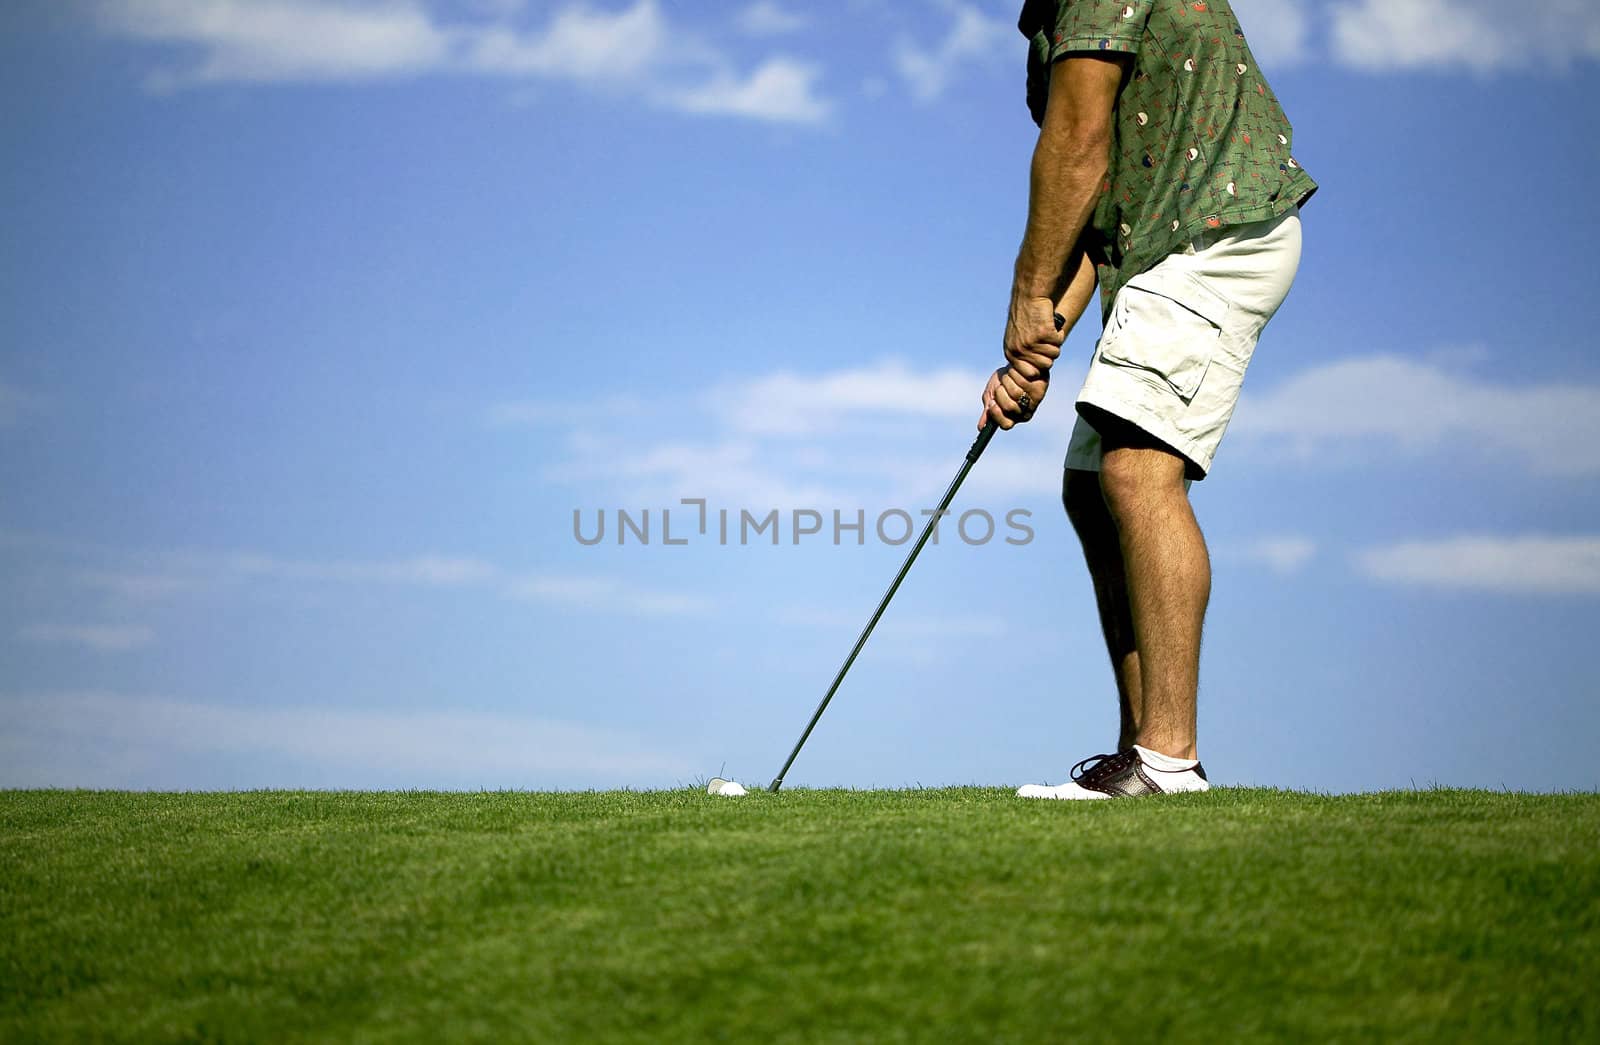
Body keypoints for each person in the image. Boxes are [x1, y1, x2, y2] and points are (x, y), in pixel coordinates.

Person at [979, 0, 1317, 799]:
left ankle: (1168, 760)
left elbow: (1079, 151)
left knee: (1136, 470)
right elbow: (1095, 211)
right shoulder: (1050, 28)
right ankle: (1139, 754)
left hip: (1214, 234)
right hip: (1168, 244)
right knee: (1093, 483)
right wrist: (1038, 347)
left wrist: (1030, 299)